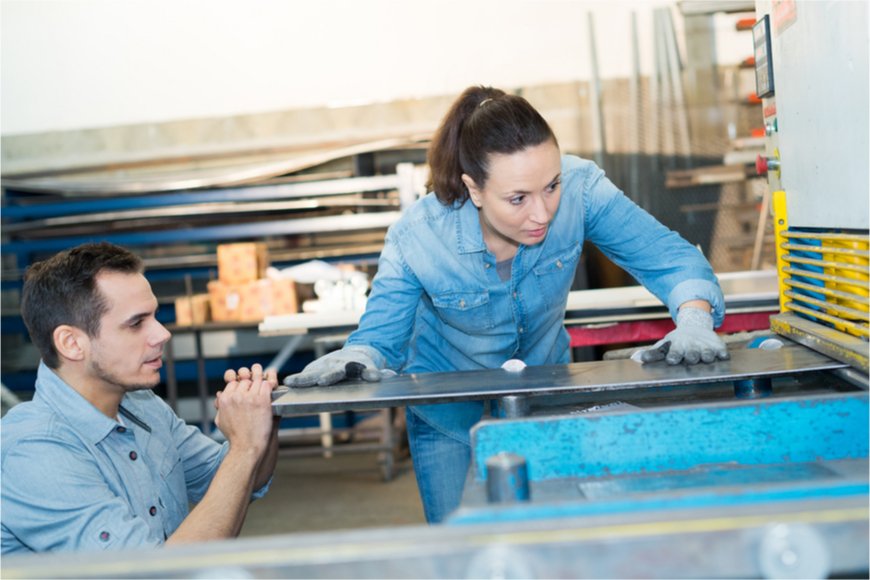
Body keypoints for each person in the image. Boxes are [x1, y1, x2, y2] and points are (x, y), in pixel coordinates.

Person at [284, 86, 729, 523]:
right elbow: (381, 336)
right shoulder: (418, 236)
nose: (542, 213)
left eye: (551, 186)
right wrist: (357, 355)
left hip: (545, 402)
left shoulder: (582, 190)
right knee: (468, 558)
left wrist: (693, 319)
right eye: (518, 198)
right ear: (474, 189)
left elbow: (669, 257)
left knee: (558, 548)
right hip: (450, 422)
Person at [1, 242, 280, 553]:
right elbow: (152, 574)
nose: (162, 333)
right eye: (136, 323)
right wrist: (244, 447)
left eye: (155, 316)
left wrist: (263, 417)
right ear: (71, 343)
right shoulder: (36, 452)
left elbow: (241, 480)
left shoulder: (141, 406)